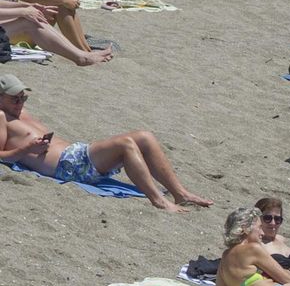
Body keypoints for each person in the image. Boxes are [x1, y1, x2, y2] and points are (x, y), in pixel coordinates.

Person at [0, 75, 211, 209]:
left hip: (76, 154)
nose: (20, 103)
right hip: (67, 166)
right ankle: (158, 200)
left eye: (23, 98)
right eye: (15, 99)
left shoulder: (18, 112)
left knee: (145, 136)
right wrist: (28, 148)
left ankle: (180, 193)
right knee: (126, 144)